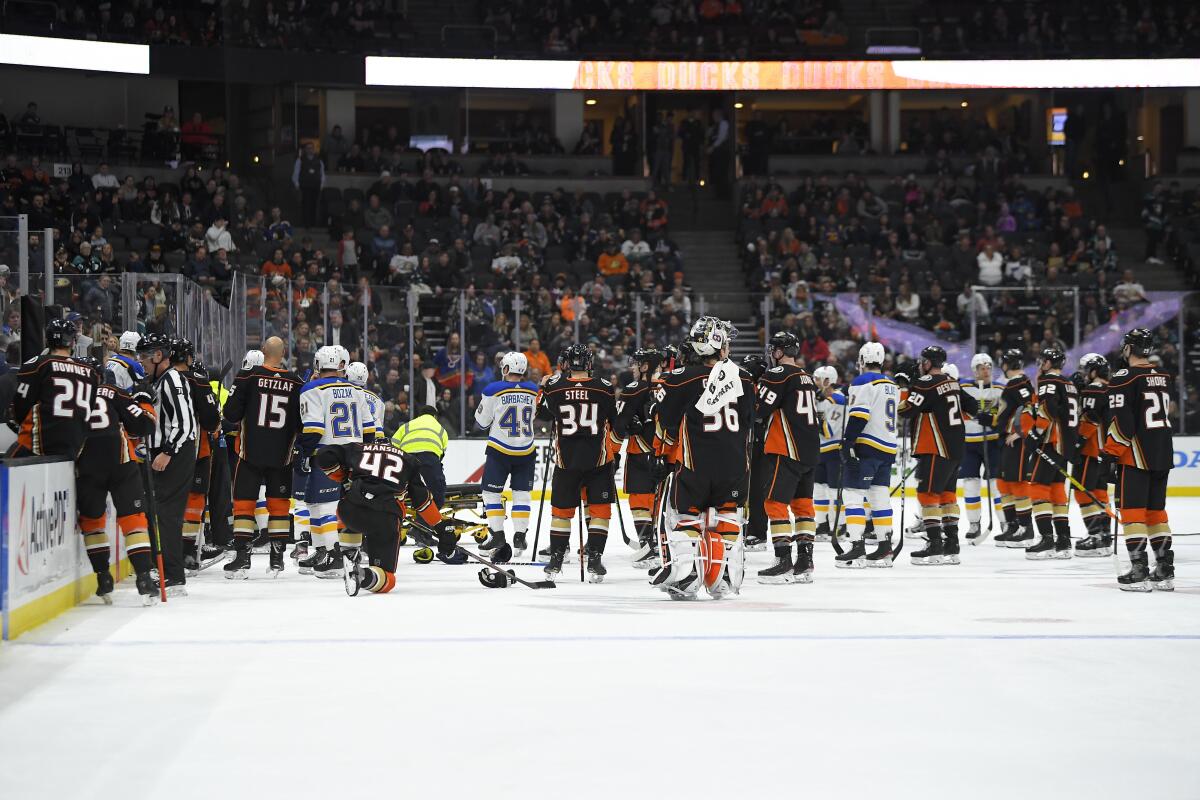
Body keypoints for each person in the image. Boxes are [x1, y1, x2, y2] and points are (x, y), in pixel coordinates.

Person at [652, 317, 754, 599]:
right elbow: (749, 420)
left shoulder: (681, 377)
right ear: (719, 344)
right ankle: (724, 576)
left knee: (684, 517)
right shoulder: (744, 377)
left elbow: (666, 422)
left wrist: (661, 456)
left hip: (695, 463)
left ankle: (686, 575)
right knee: (728, 516)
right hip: (734, 465)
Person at [315, 441, 462, 594]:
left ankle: (348, 552)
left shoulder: (358, 448)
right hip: (385, 518)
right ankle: (363, 575)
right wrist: (440, 526)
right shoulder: (410, 461)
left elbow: (325, 455)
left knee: (346, 502)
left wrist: (343, 478)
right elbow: (423, 502)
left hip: (352, 511)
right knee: (387, 580)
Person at [75, 356, 159, 604]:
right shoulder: (113, 392)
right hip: (120, 462)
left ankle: (103, 577)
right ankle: (144, 577)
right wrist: (145, 402)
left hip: (87, 466)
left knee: (92, 522)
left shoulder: (72, 395)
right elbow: (145, 426)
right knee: (134, 521)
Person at [535, 343, 620, 582]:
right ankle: (594, 559)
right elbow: (615, 421)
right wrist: (616, 449)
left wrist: (542, 387)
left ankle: (556, 559)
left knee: (561, 513)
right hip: (599, 460)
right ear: (589, 364)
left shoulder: (555, 387)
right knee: (600, 511)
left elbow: (541, 414)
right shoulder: (604, 387)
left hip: (567, 461)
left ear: (566, 364)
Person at [221, 337, 304, 578]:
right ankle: (277, 559)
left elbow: (230, 413)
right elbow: (302, 423)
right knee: (278, 505)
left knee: (244, 504)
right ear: (284, 353)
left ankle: (242, 557)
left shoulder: (248, 376)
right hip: (282, 455)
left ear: (262, 351)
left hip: (250, 452)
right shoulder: (296, 381)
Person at [296, 345, 377, 578]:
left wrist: (301, 451)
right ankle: (324, 550)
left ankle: (335, 555)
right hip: (355, 453)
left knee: (324, 505)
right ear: (342, 365)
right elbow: (369, 429)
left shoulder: (311, 388)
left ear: (318, 365)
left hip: (327, 453)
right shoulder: (356, 389)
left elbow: (313, 428)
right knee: (316, 501)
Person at [1105, 328, 1175, 591]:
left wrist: (1110, 453)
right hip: (1162, 452)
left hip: (1136, 455)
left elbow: (1123, 423)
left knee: (1133, 512)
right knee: (1156, 512)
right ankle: (1164, 569)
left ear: (1129, 348)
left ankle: (1139, 570)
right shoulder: (1163, 375)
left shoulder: (1124, 377)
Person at [898, 345, 976, 566]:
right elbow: (972, 408)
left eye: (924, 360)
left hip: (935, 446)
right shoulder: (953, 382)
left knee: (927, 494)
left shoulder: (924, 384)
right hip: (956, 447)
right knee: (947, 495)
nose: (921, 364)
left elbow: (905, 411)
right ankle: (952, 545)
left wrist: (906, 387)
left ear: (930, 362)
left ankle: (935, 546)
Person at [754, 332, 821, 584]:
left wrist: (753, 384)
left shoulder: (777, 374)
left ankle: (783, 561)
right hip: (810, 449)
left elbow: (759, 409)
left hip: (786, 447)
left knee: (775, 503)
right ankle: (805, 562)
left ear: (780, 351)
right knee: (803, 506)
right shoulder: (807, 376)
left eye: (774, 350)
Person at [137, 333, 198, 596]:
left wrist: (167, 452)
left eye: (144, 356)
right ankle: (165, 570)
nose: (141, 361)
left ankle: (173, 575)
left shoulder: (173, 379)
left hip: (176, 454)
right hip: (166, 452)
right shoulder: (160, 380)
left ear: (159, 356)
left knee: (166, 514)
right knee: (158, 511)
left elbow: (185, 424)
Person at [837, 342, 900, 567]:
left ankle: (857, 547)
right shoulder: (893, 384)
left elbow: (859, 415)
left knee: (853, 494)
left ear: (862, 360)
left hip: (868, 446)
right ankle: (885, 548)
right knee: (879, 496)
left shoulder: (863, 381)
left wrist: (847, 442)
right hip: (888, 448)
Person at [471, 352, 539, 560]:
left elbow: (482, 422)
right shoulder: (534, 390)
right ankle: (520, 535)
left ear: (506, 369)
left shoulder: (493, 389)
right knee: (522, 494)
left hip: (500, 449)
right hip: (526, 449)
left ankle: (498, 535)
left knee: (491, 494)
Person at [8, 318, 96, 458]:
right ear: (72, 342)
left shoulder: (37, 364)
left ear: (47, 340)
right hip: (74, 448)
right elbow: (90, 409)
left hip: (40, 445)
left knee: (7, 464)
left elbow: (20, 408)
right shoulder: (90, 371)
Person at [1022, 348, 1077, 560]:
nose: (1039, 366)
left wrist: (1035, 434)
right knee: (1056, 490)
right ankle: (1063, 541)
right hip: (1064, 445)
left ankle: (1046, 540)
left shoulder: (1048, 381)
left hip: (1049, 442)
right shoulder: (1068, 383)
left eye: (1042, 362)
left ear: (1047, 363)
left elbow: (1047, 410)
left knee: (1037, 488)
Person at [614, 348, 665, 568]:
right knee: (659, 501)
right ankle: (659, 545)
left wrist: (612, 453)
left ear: (645, 367)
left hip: (641, 452)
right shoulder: (671, 385)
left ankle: (647, 546)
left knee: (640, 501)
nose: (633, 368)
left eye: (636, 364)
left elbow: (618, 423)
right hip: (667, 453)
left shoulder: (634, 389)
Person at [177, 344, 224, 574]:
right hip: (198, 450)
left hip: (164, 452)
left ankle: (170, 550)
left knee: (169, 500)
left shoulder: (162, 378)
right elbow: (212, 421)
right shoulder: (198, 380)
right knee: (195, 501)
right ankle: (188, 550)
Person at [988, 349, 1038, 549]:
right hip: (1007, 441)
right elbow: (1004, 412)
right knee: (1004, 483)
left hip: (1017, 442)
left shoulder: (1018, 383)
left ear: (1006, 365)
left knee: (1017, 484)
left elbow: (1032, 408)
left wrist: (1021, 432)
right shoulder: (1015, 384)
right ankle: (1013, 525)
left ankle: (1026, 529)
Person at [957, 353, 1004, 543]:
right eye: (981, 368)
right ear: (974, 370)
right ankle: (974, 523)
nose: (985, 371)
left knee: (996, 485)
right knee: (970, 485)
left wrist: (993, 421)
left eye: (988, 367)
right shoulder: (963, 388)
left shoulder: (1000, 389)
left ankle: (1005, 523)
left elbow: (1005, 416)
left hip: (992, 442)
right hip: (968, 444)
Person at [1073, 353, 1114, 557]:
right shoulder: (1111, 388)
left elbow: (1090, 418)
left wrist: (1076, 444)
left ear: (1094, 371)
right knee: (1099, 492)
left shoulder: (1093, 389)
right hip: (1106, 451)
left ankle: (1096, 536)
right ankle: (1105, 536)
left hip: (1090, 450)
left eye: (1085, 369)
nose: (1082, 374)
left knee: (1082, 491)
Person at [391, 404, 450, 510]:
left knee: (399, 488)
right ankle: (427, 520)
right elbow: (441, 452)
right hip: (429, 457)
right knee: (436, 490)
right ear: (435, 416)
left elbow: (394, 444)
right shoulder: (440, 429)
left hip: (406, 459)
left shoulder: (407, 426)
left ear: (419, 415)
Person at [812, 365, 847, 543]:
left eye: (818, 379)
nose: (815, 382)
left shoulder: (838, 400)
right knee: (818, 490)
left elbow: (828, 431)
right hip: (819, 452)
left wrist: (818, 409)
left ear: (827, 381)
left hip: (835, 451)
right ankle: (822, 524)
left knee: (834, 491)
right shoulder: (819, 399)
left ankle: (840, 524)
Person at [292, 141, 325, 228]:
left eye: (312, 148)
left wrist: (322, 184)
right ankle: (306, 224)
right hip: (305, 186)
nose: (310, 150)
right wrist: (296, 184)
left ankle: (313, 223)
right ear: (305, 150)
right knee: (306, 205)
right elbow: (296, 173)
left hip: (316, 186)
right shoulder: (300, 160)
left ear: (314, 149)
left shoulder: (319, 160)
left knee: (314, 205)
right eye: (308, 148)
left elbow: (322, 173)